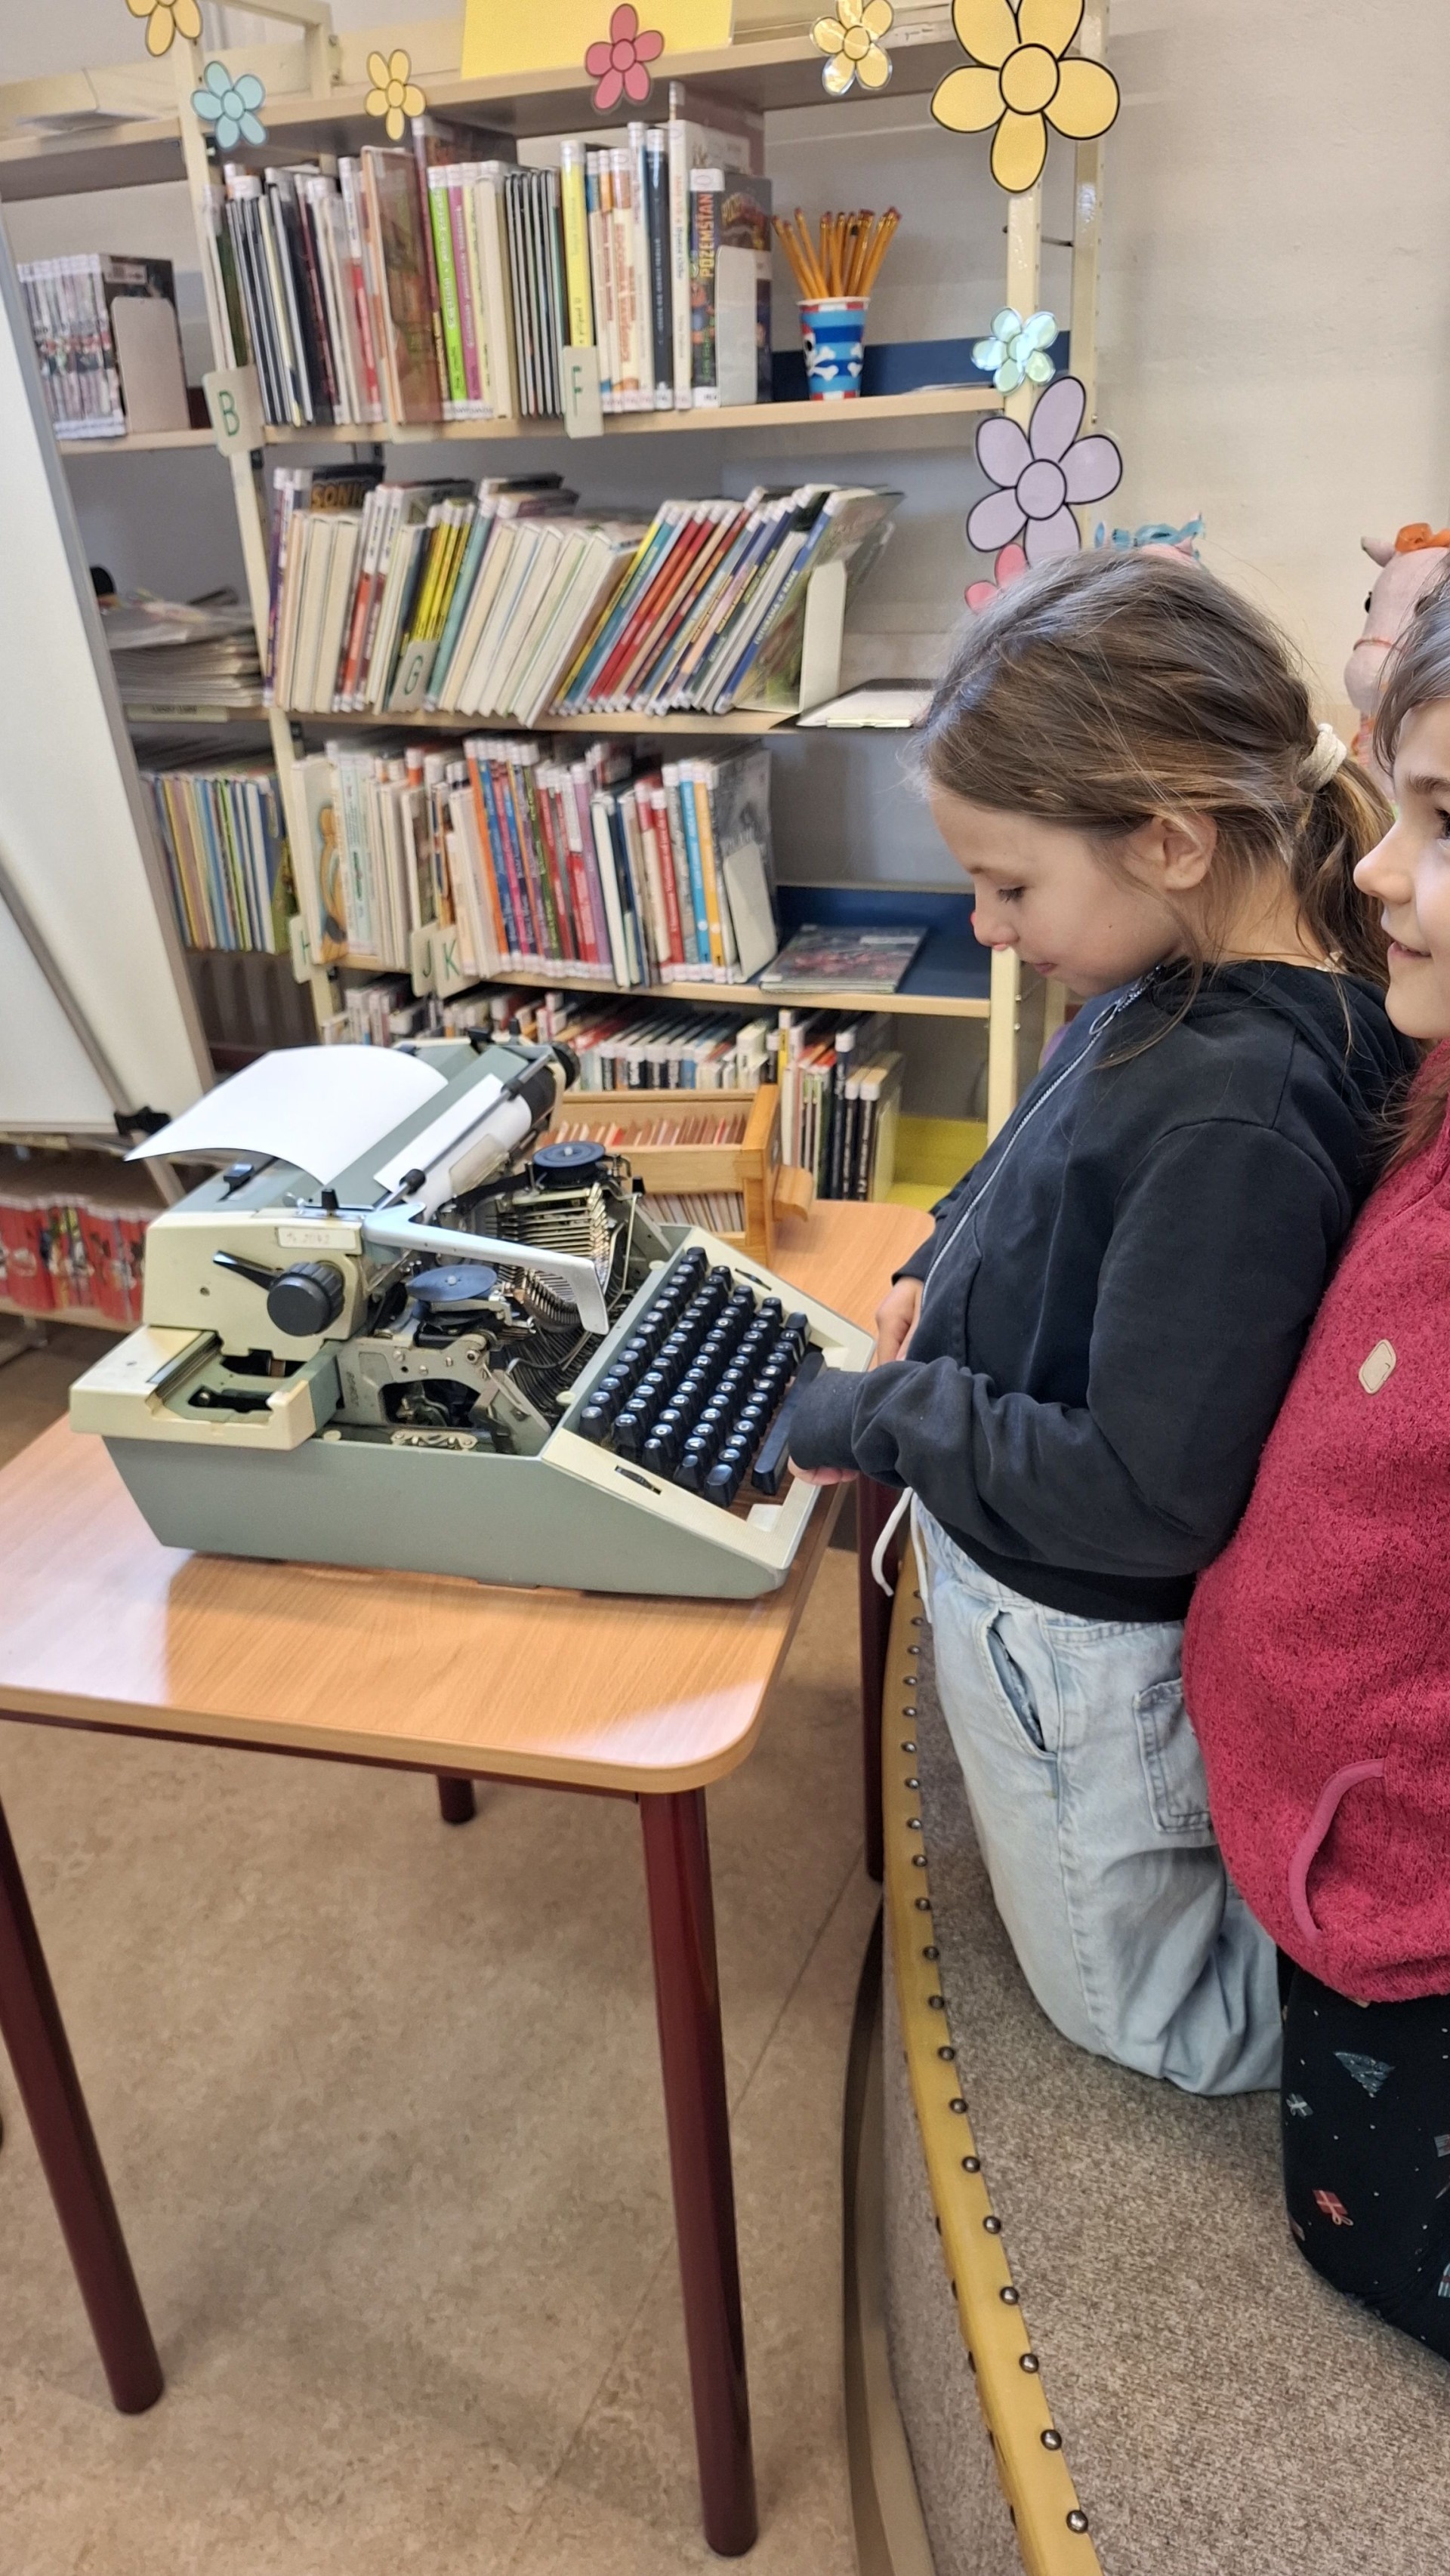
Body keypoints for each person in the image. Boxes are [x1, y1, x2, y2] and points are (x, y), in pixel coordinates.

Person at [788, 549, 1417, 2095]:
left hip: (1075, 1633)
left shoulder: (1235, 1117)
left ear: (1171, 841)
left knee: (1144, 2011)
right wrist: (945, 1245)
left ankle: (1377, 2034)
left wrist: (878, 1416)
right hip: (1028, 1574)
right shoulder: (1175, 968)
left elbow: (1148, 1493)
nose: (989, 926)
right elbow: (1051, 1136)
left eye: (1011, 887)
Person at [1183, 574, 1450, 2343]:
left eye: (1447, 822)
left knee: (1361, 2240)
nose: (1377, 867)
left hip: (1404, 1912)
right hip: (1331, 1854)